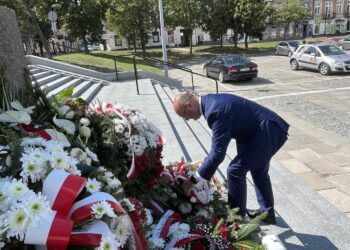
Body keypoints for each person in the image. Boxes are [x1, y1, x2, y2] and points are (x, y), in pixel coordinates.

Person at [173, 92, 289, 224]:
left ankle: (235, 219)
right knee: (258, 171)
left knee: (235, 171)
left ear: (189, 105)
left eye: (184, 115)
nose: (187, 119)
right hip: (258, 132)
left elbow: (217, 154)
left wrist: (192, 181)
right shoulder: (210, 103)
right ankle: (267, 213)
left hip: (267, 131)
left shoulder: (215, 110)